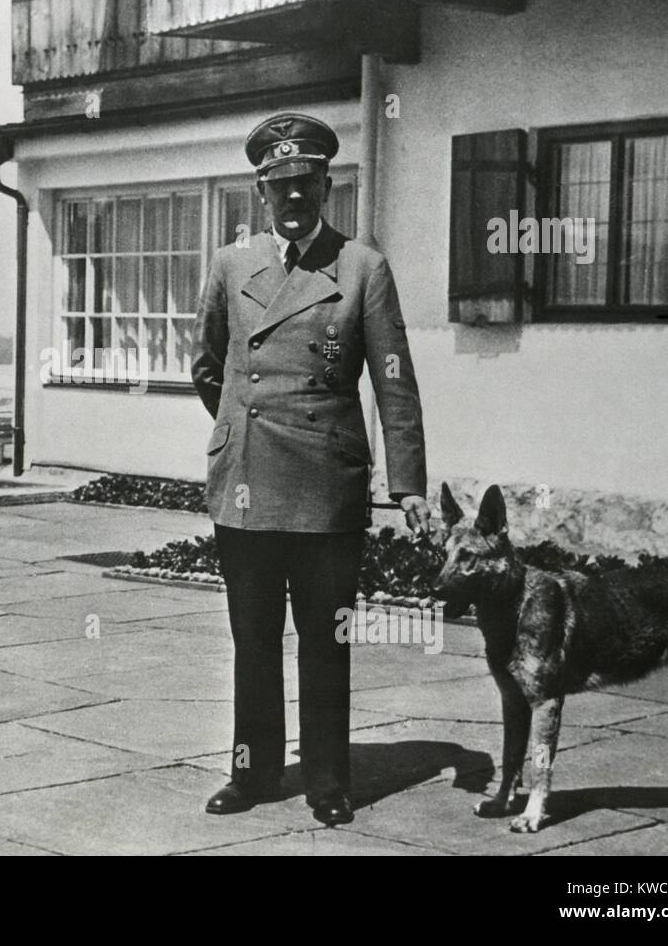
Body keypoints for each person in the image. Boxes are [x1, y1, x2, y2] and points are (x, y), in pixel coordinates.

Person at [191, 113, 430, 826]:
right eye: (279, 185)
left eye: (306, 183)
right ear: (260, 192)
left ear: (327, 187)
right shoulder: (230, 265)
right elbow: (207, 365)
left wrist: (408, 484)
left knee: (327, 643)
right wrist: (242, 424)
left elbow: (393, 380)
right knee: (253, 643)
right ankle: (252, 773)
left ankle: (328, 780)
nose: (293, 196)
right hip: (246, 482)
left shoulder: (361, 268)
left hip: (325, 485)